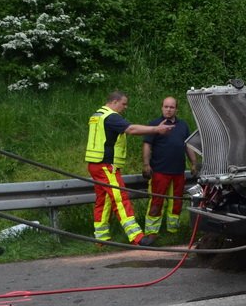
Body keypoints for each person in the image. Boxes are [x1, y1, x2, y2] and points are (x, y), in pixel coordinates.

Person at [85, 91, 173, 246]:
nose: (125, 107)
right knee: (120, 199)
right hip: (106, 166)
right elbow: (131, 129)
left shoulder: (97, 115)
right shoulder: (111, 117)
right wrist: (156, 130)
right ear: (114, 102)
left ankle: (101, 238)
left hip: (95, 164)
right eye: (123, 104)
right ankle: (137, 238)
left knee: (103, 200)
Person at [142, 96, 199, 237]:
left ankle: (172, 231)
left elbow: (188, 145)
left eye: (171, 107)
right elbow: (147, 145)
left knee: (176, 203)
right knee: (157, 202)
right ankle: (151, 232)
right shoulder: (155, 124)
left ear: (176, 109)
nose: (168, 109)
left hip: (178, 172)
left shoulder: (183, 125)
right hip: (160, 171)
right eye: (166, 106)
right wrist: (146, 164)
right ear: (162, 108)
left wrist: (193, 163)